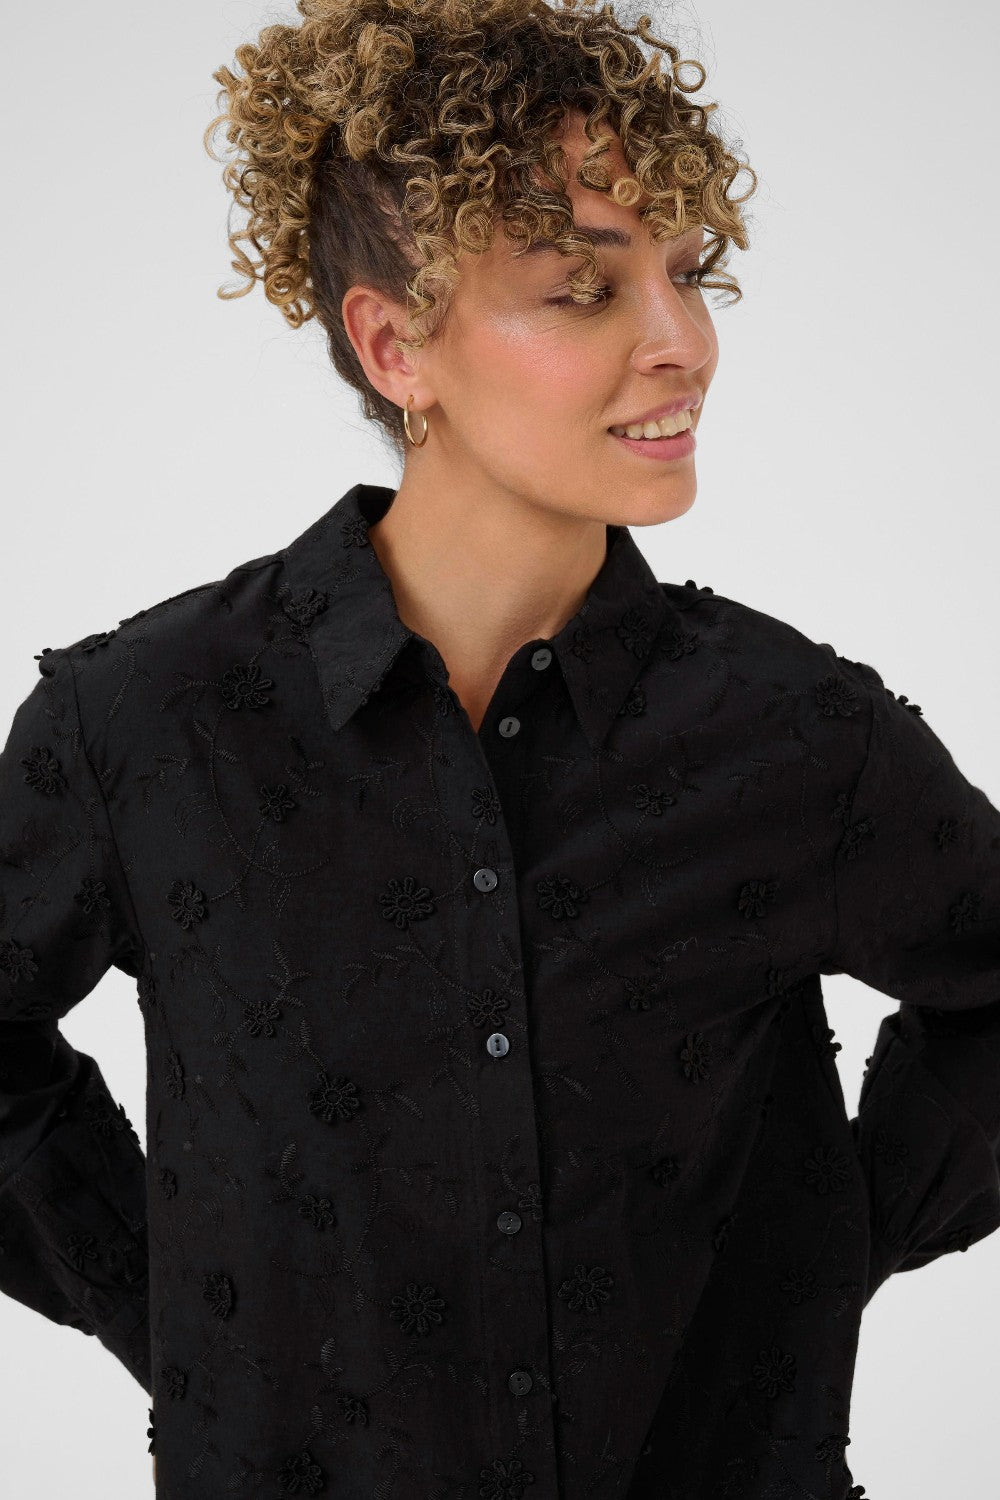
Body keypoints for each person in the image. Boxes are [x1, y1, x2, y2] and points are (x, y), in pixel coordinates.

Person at [1, 2, 997, 1497]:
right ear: (399, 344)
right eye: (584, 291)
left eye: (688, 273)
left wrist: (823, 1242)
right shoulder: (146, 730)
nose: (685, 345)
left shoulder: (797, 735)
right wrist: (169, 1295)